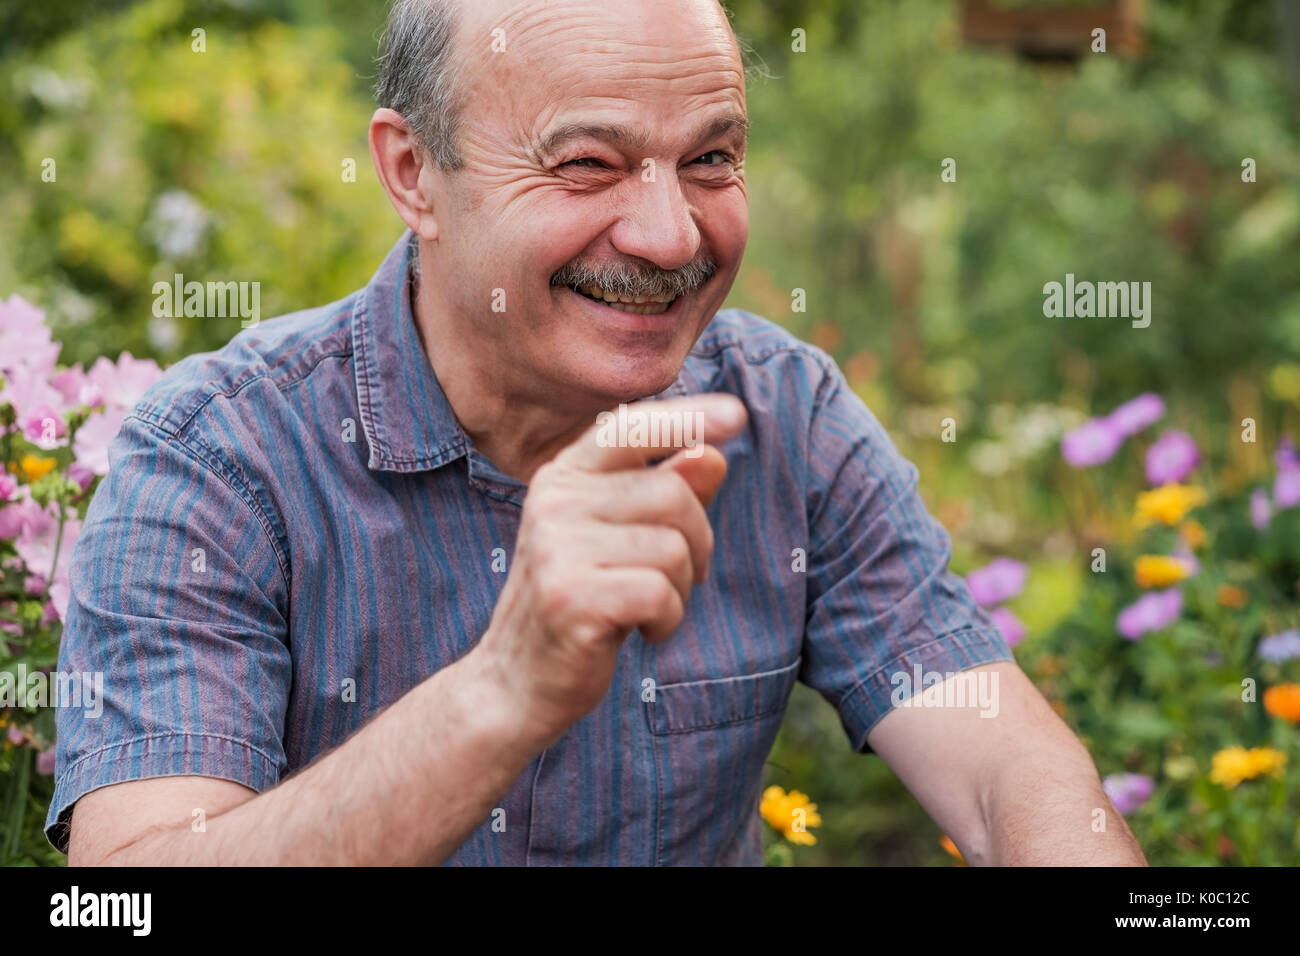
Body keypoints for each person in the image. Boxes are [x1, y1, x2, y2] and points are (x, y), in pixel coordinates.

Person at [48, 0, 1146, 865]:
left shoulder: (787, 419)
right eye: (587, 164)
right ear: (412, 172)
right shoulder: (217, 456)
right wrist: (503, 689)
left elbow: (1005, 764)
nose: (671, 234)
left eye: (711, 158)